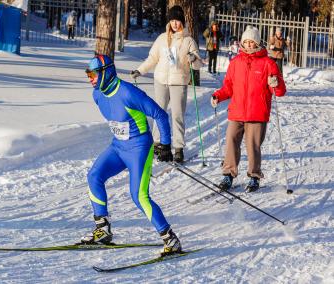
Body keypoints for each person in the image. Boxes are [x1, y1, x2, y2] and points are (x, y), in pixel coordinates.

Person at [82, 54, 182, 255]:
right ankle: (102, 230)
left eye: (93, 74)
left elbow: (160, 114)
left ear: (106, 72)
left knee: (139, 196)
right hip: (118, 147)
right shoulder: (98, 95)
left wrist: (165, 145)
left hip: (139, 150)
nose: (90, 79)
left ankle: (170, 239)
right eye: (88, 74)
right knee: (94, 176)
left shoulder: (128, 92)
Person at [210, 26, 286, 192]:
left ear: (257, 43)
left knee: (253, 146)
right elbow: (228, 87)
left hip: (257, 113)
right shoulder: (235, 63)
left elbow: (280, 91)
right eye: (246, 41)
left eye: (252, 42)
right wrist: (217, 95)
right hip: (236, 112)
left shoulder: (268, 63)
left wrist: (276, 83)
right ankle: (228, 174)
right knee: (231, 141)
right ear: (242, 42)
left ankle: (254, 176)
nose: (249, 45)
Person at [130, 5, 203, 163]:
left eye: (178, 20)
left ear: (182, 22)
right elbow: (152, 59)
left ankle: (178, 148)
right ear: (169, 22)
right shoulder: (162, 39)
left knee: (177, 115)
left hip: (179, 82)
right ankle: (158, 142)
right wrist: (139, 70)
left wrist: (193, 59)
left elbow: (198, 65)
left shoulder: (188, 40)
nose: (175, 24)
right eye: (172, 20)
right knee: (159, 112)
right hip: (161, 81)